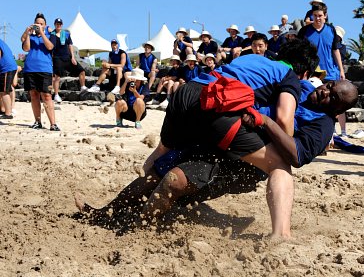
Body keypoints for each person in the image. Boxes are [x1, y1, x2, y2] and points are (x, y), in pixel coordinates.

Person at [76, 39, 320, 238]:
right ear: (305, 72)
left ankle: (106, 212)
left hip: (186, 94)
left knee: (160, 157)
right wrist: (281, 144)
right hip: (211, 106)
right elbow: (284, 118)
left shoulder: (252, 59)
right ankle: (138, 229)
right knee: (279, 164)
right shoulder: (288, 76)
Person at [298, 3, 347, 137]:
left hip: (331, 72)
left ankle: (341, 131)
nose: (317, 18)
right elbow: (300, 52)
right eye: (315, 16)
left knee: (338, 101)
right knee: (314, 101)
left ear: (325, 16)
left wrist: (341, 70)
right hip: (313, 74)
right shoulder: (304, 31)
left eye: (320, 16)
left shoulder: (331, 30)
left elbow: (335, 50)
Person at [21, 13, 61, 131]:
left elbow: (50, 47)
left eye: (41, 24)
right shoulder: (30, 36)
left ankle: (53, 124)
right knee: (34, 95)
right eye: (37, 23)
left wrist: (42, 33)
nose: (38, 25)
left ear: (45, 25)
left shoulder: (50, 35)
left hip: (44, 69)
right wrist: (28, 33)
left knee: (47, 95)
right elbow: (26, 48)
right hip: (30, 69)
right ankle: (37, 121)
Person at [51, 18, 87, 103]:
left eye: (60, 24)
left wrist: (73, 57)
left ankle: (83, 87)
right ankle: (56, 95)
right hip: (57, 58)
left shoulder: (66, 34)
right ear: (55, 24)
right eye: (57, 24)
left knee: (81, 70)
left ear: (62, 25)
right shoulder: (52, 34)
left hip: (67, 57)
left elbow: (70, 45)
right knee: (57, 77)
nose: (58, 25)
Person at [0, 39, 18, 119]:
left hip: (6, 67)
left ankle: (8, 113)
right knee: (6, 89)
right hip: (9, 66)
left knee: (4, 91)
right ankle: (5, 110)